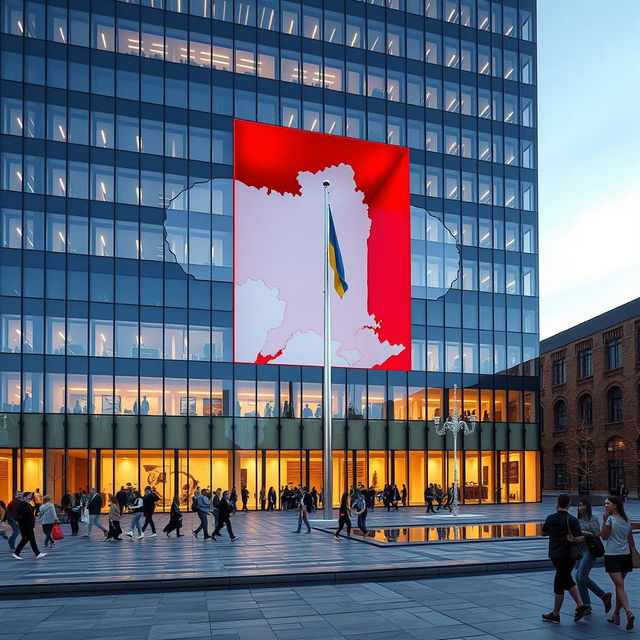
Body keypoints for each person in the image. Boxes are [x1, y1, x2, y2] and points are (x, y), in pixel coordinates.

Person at [541, 493, 589, 624]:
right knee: (566, 580)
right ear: (569, 504)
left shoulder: (550, 518)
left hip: (555, 555)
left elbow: (543, 533)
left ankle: (556, 614)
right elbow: (579, 538)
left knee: (560, 583)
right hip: (568, 556)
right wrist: (582, 535)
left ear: (557, 503)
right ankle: (581, 606)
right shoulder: (572, 520)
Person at [601, 495, 635, 629]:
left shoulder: (610, 519)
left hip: (612, 556)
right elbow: (631, 541)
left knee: (619, 586)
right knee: (619, 586)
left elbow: (603, 536)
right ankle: (616, 614)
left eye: (607, 503)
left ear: (615, 505)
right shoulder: (627, 521)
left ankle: (628, 612)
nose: (605, 506)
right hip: (625, 556)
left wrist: (604, 521)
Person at [576, 499, 612, 615]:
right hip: (580, 551)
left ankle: (603, 595)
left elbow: (597, 534)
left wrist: (583, 533)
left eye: (582, 505)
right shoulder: (577, 520)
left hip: (590, 550)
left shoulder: (593, 518)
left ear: (587, 507)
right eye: (579, 505)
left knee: (582, 576)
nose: (580, 507)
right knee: (578, 577)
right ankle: (587, 605)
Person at [12, 493, 46, 560]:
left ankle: (16, 553)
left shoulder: (28, 505)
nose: (31, 497)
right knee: (32, 539)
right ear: (25, 497)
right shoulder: (23, 505)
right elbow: (22, 516)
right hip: (26, 525)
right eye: (29, 496)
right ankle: (37, 554)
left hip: (28, 525)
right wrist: (27, 524)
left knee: (25, 539)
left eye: (31, 496)